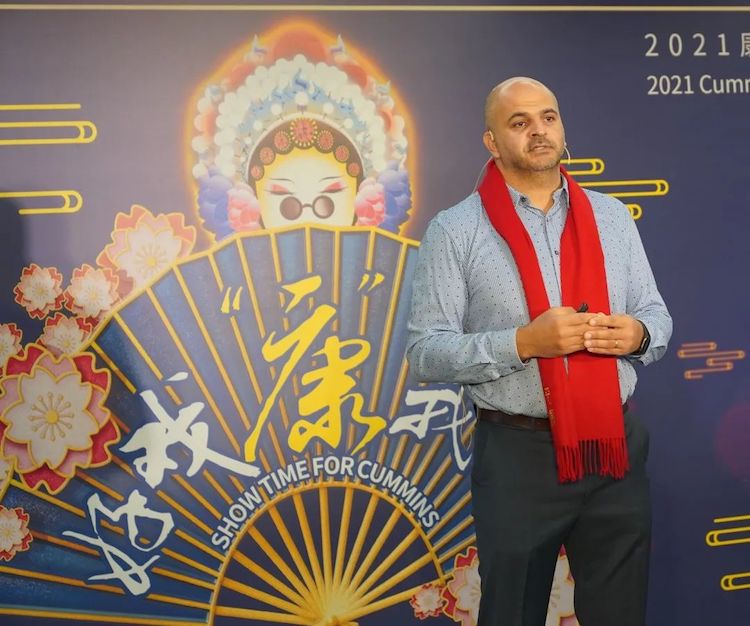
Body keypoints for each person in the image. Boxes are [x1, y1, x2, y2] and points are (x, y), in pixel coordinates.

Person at [406, 77, 672, 626]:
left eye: (548, 117)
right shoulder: (456, 230)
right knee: (512, 613)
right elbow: (426, 351)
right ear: (491, 141)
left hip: (614, 448)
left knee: (621, 614)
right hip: (518, 456)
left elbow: (655, 313)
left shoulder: (612, 217)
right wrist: (525, 343)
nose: (538, 131)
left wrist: (639, 336)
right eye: (519, 122)